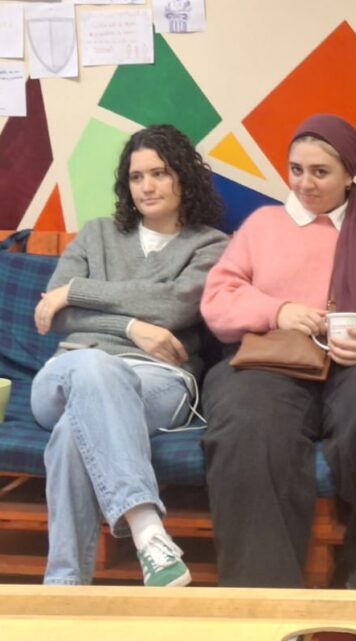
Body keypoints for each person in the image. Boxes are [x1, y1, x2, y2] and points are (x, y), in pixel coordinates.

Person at [200, 114, 356, 588]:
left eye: (320, 172)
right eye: (296, 170)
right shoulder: (263, 225)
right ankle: (262, 596)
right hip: (270, 362)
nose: (304, 183)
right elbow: (218, 298)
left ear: (350, 173)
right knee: (248, 421)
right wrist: (277, 311)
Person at [31, 124, 228, 587]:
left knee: (73, 431)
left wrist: (77, 291)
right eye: (137, 177)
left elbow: (175, 305)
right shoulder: (97, 234)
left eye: (159, 173)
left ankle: (63, 587)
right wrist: (131, 327)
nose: (147, 186)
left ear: (183, 178)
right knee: (94, 367)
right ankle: (147, 530)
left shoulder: (211, 245)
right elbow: (54, 315)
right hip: (69, 369)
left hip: (160, 380)